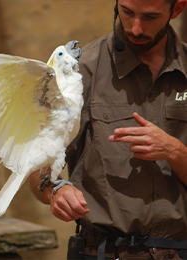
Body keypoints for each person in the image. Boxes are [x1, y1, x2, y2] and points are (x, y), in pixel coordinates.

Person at [29, 0, 187, 259]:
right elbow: (35, 166)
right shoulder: (78, 71)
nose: (135, 28)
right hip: (102, 252)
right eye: (126, 12)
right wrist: (54, 191)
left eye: (149, 16)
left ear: (177, 9)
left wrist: (176, 151)